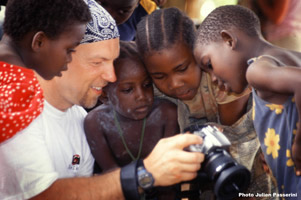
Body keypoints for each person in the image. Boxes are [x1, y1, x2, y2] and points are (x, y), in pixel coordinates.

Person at [0, 1, 204, 200]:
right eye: (97, 62)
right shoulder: (13, 105)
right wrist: (145, 173)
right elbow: (41, 195)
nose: (111, 76)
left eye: (113, 62)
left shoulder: (79, 118)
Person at [135, 7, 273, 199]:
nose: (174, 83)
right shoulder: (152, 84)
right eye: (159, 76)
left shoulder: (224, 78)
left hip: (245, 155)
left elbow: (237, 138)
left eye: (182, 69)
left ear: (198, 53)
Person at [194, 4, 301, 196]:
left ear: (228, 41)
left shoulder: (256, 71)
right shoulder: (291, 57)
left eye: (209, 65)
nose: (213, 79)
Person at [84, 41, 180, 199]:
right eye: (128, 90)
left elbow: (169, 181)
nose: (142, 96)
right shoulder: (95, 123)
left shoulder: (167, 114)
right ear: (104, 95)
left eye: (147, 85)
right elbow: (112, 177)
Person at [0, 0, 91, 143]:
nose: (69, 60)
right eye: (69, 50)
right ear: (39, 42)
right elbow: (28, 163)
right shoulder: (22, 90)